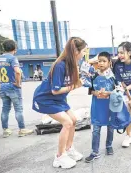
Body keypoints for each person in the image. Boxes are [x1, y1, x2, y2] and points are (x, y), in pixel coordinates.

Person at [32, 37, 87, 169]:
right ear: (75, 51)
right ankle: (59, 157)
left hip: (59, 99)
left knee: (73, 119)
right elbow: (55, 90)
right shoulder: (60, 65)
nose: (84, 54)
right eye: (83, 51)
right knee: (67, 123)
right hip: (45, 99)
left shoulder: (73, 65)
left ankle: (68, 149)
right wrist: (75, 86)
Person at [0, 39, 33, 138]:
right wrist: (18, 83)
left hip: (3, 86)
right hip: (12, 86)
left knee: (5, 109)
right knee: (18, 109)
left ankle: (5, 130)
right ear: (14, 48)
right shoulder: (12, 58)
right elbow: (18, 72)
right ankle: (22, 129)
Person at [85, 52, 117, 162]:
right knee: (96, 130)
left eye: (104, 61)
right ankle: (94, 152)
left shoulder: (113, 75)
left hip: (109, 107)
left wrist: (108, 93)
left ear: (109, 63)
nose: (101, 63)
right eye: (99, 61)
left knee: (110, 128)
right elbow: (90, 89)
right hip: (97, 107)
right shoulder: (94, 75)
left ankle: (109, 145)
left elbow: (117, 90)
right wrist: (96, 93)